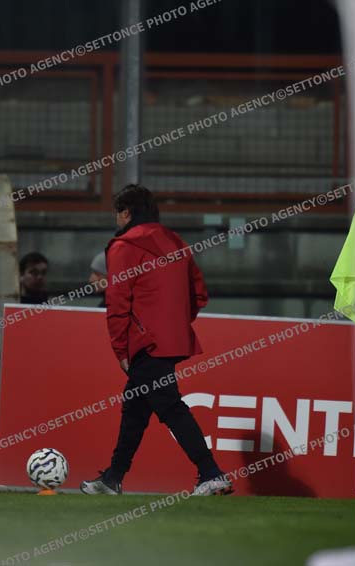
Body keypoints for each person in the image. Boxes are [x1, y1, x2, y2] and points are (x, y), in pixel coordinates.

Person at [81, 184, 232, 497]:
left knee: (170, 406)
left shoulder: (123, 246)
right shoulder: (177, 243)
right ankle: (113, 478)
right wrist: (173, 324)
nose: (117, 219)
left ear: (126, 213)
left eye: (117, 213)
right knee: (135, 409)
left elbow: (117, 301)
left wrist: (120, 349)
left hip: (144, 343)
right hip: (170, 341)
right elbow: (199, 295)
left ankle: (211, 473)